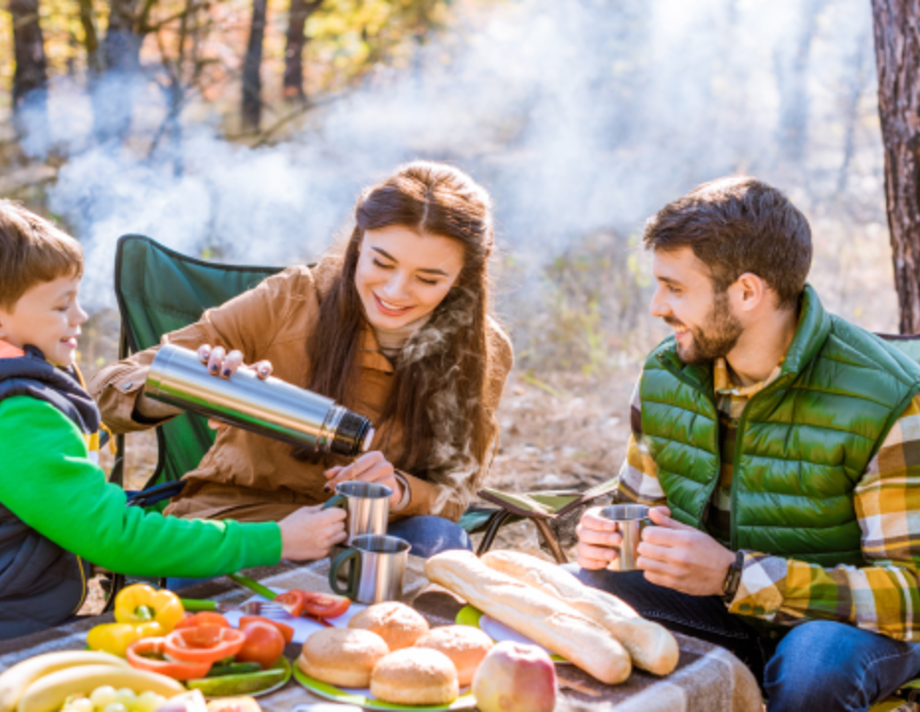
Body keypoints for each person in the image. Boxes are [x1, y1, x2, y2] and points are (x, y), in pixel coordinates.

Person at [573, 176, 920, 711]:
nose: (656, 307)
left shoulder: (888, 399)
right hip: (723, 611)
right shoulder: (668, 375)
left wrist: (736, 575)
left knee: (813, 663)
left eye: (676, 288)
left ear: (748, 292)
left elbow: (911, 594)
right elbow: (638, 513)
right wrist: (609, 540)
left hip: (846, 631)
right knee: (587, 589)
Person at [90, 161, 513, 560]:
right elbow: (108, 390)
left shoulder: (478, 350)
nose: (397, 291)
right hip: (250, 523)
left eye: (428, 278)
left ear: (462, 279)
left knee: (440, 544)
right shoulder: (290, 300)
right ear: (358, 246)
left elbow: (455, 492)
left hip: (371, 530)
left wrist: (400, 490)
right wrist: (195, 386)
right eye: (381, 262)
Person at [0, 201, 344, 640]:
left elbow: (54, 459)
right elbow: (115, 538)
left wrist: (201, 393)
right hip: (17, 630)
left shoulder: (22, 381)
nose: (80, 317)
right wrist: (277, 539)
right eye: (61, 306)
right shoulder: (18, 412)